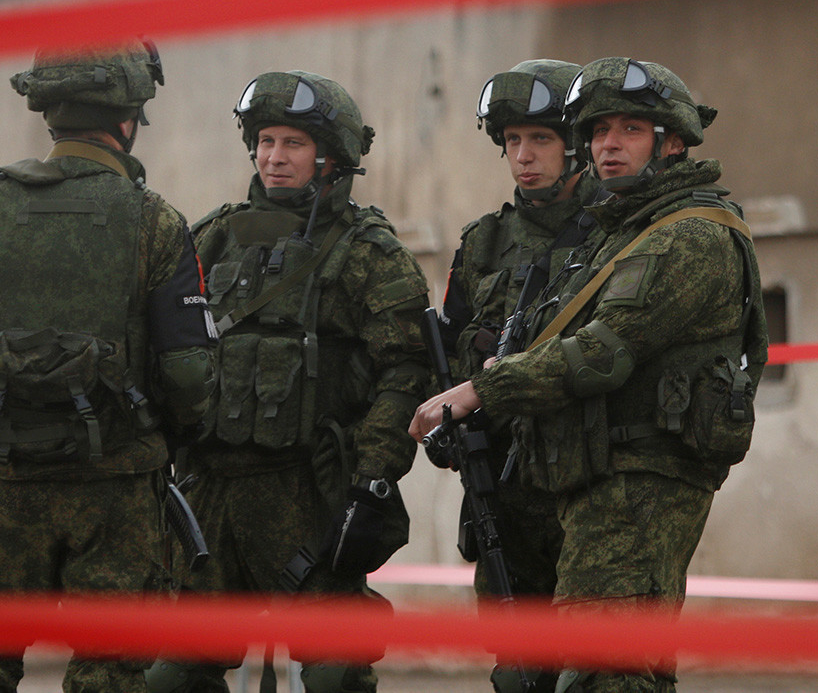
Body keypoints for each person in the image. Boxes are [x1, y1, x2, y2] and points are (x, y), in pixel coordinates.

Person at [411, 57, 768, 693]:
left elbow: (601, 352)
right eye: (600, 130)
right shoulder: (620, 233)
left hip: (638, 481)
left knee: (609, 674)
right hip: (581, 477)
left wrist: (481, 389)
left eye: (630, 130)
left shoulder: (687, 236)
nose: (608, 144)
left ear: (673, 141)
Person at [0, 40, 217, 693]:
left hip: (3, 482)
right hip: (118, 490)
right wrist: (170, 449)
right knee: (109, 665)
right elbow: (190, 376)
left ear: (49, 113)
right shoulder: (154, 222)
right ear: (128, 118)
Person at [147, 71, 432, 693]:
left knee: (334, 672)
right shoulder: (212, 238)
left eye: (294, 144)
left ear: (332, 158)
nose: (274, 157)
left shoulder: (369, 252)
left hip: (309, 491)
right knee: (172, 674)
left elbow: (406, 371)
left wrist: (372, 478)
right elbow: (165, 351)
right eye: (266, 140)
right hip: (209, 492)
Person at [436, 59, 604, 693]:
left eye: (540, 139)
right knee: (518, 668)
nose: (525, 156)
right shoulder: (482, 244)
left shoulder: (615, 231)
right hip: (504, 480)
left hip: (588, 474)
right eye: (512, 142)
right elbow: (448, 350)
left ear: (575, 144)